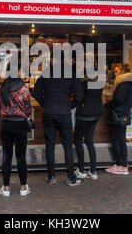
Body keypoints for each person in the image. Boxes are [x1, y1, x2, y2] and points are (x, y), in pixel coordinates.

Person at [33, 56, 84, 186]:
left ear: (52, 61)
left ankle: (51, 176)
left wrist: (46, 104)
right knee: (67, 145)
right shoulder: (71, 75)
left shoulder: (45, 74)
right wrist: (70, 105)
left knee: (50, 145)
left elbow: (36, 92)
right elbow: (79, 96)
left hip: (49, 112)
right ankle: (71, 177)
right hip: (64, 113)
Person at [0, 65, 32, 196]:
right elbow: (28, 109)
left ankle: (6, 188)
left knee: (7, 156)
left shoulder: (0, 88)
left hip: (6, 124)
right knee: (21, 156)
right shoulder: (23, 89)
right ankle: (23, 187)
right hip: (20, 124)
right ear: (17, 72)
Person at [104, 63, 132, 175]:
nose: (115, 74)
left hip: (118, 115)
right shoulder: (128, 84)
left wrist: (107, 104)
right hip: (123, 115)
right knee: (121, 140)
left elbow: (118, 100)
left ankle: (120, 165)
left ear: (123, 72)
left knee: (117, 140)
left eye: (117, 72)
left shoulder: (123, 85)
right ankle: (122, 165)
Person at [73, 71, 104, 180]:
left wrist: (72, 105)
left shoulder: (82, 84)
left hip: (84, 114)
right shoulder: (99, 84)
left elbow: (78, 98)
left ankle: (81, 170)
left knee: (77, 140)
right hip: (95, 115)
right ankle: (93, 171)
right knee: (89, 140)